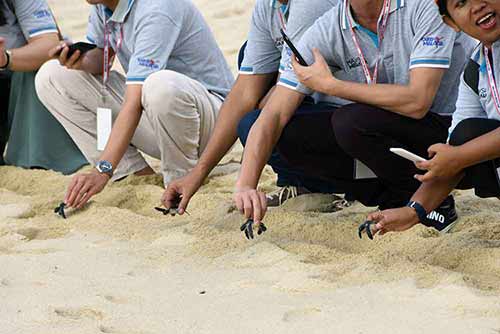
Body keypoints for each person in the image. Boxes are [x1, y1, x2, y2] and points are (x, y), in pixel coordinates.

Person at [232, 0, 476, 226]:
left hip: (450, 136)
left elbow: (418, 101)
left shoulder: (422, 6)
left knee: (351, 122)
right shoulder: (328, 26)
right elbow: (273, 116)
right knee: (266, 127)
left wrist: (331, 86)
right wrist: (245, 185)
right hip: (384, 133)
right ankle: (392, 196)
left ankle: (431, 200)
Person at [35, 0, 234, 209]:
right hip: (159, 114)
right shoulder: (102, 6)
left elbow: (134, 102)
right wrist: (76, 58)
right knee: (52, 76)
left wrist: (102, 169)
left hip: (213, 126)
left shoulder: (157, 8)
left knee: (159, 85)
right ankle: (132, 173)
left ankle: (181, 180)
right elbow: (100, 60)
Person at [163, 0, 343, 213]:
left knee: (253, 122)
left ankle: (333, 185)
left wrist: (246, 183)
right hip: (324, 108)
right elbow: (243, 93)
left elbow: (275, 107)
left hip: (353, 119)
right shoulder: (268, 6)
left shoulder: (309, 5)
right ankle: (300, 183)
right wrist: (197, 174)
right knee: (251, 63)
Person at [362, 0, 500, 236]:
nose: (478, 6)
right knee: (464, 135)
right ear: (450, 22)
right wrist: (413, 211)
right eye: (461, 3)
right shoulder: (476, 67)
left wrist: (459, 156)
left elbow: (459, 153)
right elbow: (455, 148)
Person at [0, 0, 86, 173]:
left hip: (18, 85)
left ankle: (38, 161)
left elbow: (49, 45)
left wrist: (6, 59)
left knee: (43, 66)